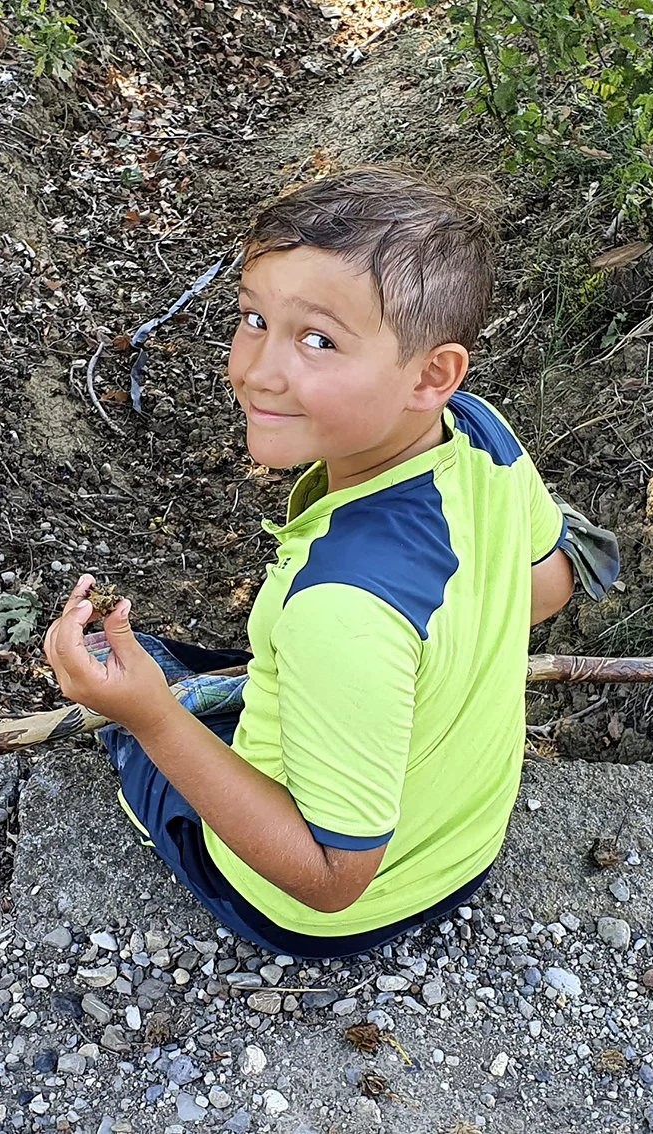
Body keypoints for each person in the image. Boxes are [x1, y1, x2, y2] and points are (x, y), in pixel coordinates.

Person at [44, 167, 618, 959]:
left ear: (431, 375)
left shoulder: (338, 607)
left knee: (146, 698)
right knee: (219, 674)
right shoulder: (480, 432)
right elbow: (550, 583)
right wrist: (406, 654)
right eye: (253, 319)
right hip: (460, 849)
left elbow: (329, 877)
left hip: (325, 911)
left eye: (318, 340)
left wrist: (148, 717)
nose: (259, 371)